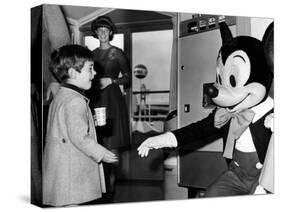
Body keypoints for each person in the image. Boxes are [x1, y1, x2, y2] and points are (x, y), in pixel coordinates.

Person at [43, 44, 118, 207]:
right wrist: (102, 153)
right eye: (90, 69)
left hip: (61, 169)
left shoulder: (62, 95)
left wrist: (92, 121)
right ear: (72, 73)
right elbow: (80, 138)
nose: (95, 73)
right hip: (72, 172)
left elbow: (67, 125)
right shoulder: (76, 101)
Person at [86, 15, 131, 200]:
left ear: (110, 32)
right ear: (96, 33)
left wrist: (112, 80)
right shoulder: (91, 54)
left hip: (112, 100)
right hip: (96, 98)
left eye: (106, 30)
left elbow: (128, 77)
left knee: (112, 143)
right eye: (99, 30)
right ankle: (98, 186)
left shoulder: (117, 53)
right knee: (96, 141)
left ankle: (110, 190)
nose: (103, 33)